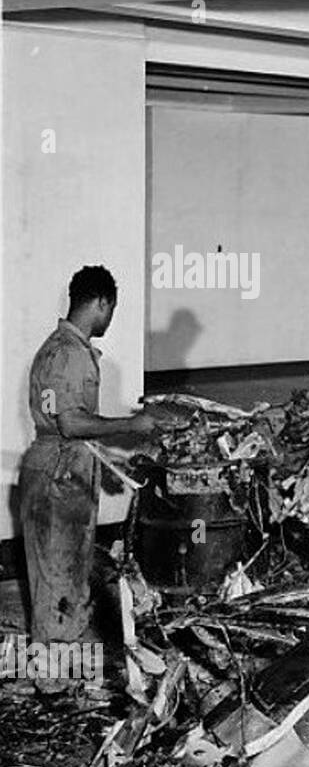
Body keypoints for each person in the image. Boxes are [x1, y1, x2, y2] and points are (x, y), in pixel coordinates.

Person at [20, 265, 168, 647]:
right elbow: (70, 423)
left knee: (68, 572)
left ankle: (64, 663)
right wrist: (131, 425)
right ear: (102, 302)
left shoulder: (59, 348)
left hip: (61, 467)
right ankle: (53, 675)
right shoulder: (69, 354)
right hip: (59, 473)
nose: (110, 319)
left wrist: (109, 465)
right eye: (111, 309)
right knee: (57, 578)